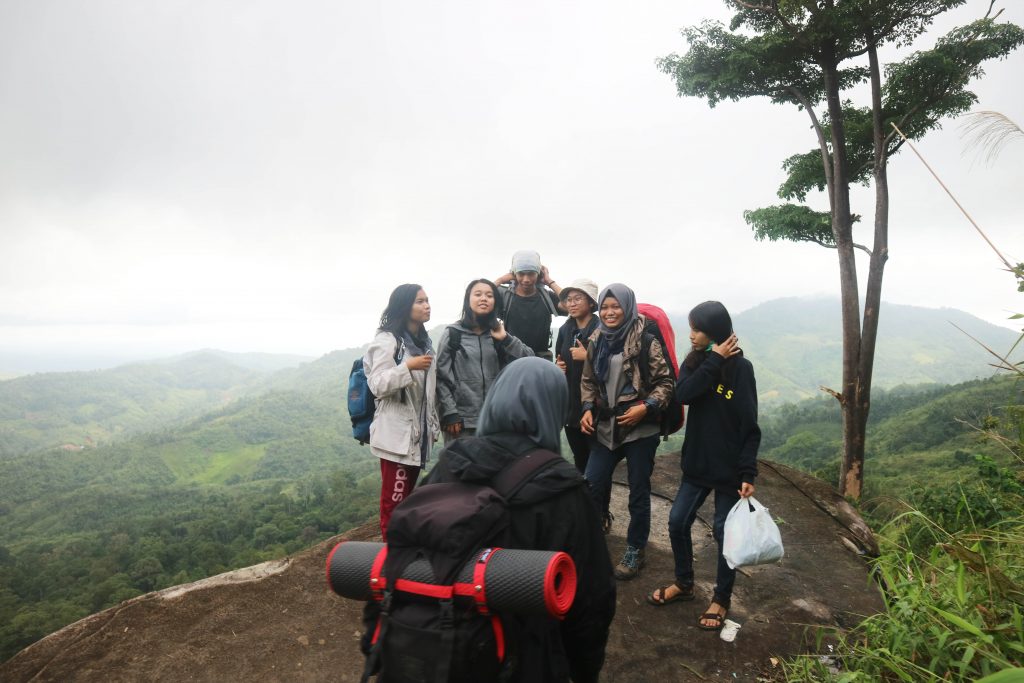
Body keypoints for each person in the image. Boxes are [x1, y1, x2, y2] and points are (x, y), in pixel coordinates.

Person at [421, 357, 617, 682]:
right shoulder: (562, 489)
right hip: (521, 660)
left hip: (437, 646)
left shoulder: (450, 464)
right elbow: (592, 602)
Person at [645, 301, 761, 633]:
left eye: (697, 329)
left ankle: (721, 598)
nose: (691, 335)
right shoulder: (697, 363)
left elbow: (749, 424)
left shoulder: (742, 370)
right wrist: (714, 359)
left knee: (725, 532)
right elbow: (683, 395)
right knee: (677, 521)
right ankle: (684, 584)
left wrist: (747, 472)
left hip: (728, 470)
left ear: (713, 333)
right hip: (697, 464)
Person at [579, 283, 674, 580]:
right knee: (592, 483)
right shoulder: (597, 339)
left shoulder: (645, 339)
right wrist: (585, 409)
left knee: (638, 491)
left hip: (639, 428)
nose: (609, 312)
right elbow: (589, 381)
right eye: (604, 307)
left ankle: (635, 549)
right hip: (606, 426)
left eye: (615, 306)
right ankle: (592, 543)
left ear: (627, 307)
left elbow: (666, 383)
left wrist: (645, 407)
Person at [363, 284, 440, 539]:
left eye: (427, 300)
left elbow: (428, 394)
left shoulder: (425, 344)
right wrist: (407, 367)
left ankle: (401, 549)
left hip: (416, 437)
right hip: (396, 437)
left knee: (405, 499)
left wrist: (433, 425)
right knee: (394, 502)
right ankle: (390, 556)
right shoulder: (388, 341)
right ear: (404, 306)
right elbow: (377, 385)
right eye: (420, 301)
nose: (427, 305)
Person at [436, 278, 533, 443]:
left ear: (495, 302)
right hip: (462, 422)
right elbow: (441, 377)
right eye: (478, 294)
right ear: (468, 300)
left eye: (489, 295)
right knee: (461, 468)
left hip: (497, 420)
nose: (483, 298)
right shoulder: (453, 334)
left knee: (495, 468)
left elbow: (530, 362)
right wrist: (450, 413)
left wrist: (506, 339)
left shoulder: (498, 333)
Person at [554, 278, 600, 475]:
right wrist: (559, 366)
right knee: (580, 459)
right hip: (571, 406)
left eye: (577, 298)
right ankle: (583, 504)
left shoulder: (602, 329)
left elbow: (615, 366)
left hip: (595, 407)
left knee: (596, 461)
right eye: (568, 299)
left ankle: (600, 505)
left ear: (591, 302)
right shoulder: (566, 329)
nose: (571, 303)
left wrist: (588, 356)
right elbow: (559, 357)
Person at [494, 249, 565, 360]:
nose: (526, 279)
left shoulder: (546, 297)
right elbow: (479, 299)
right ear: (514, 274)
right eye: (521, 274)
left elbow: (570, 305)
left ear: (538, 274)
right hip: (511, 358)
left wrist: (549, 281)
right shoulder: (505, 295)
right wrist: (500, 280)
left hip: (540, 359)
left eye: (531, 274)